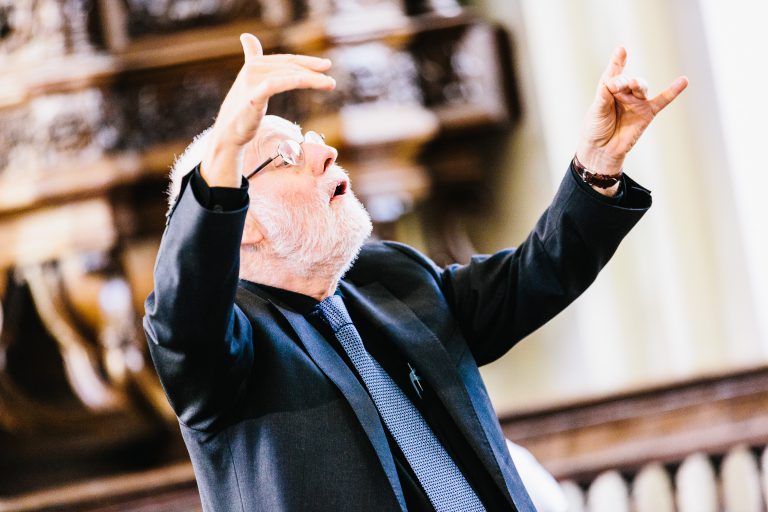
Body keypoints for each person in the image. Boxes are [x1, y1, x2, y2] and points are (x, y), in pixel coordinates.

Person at [144, 33, 687, 512]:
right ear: (242, 221)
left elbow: (536, 274)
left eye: (310, 138)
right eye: (287, 154)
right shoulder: (222, 350)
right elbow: (186, 311)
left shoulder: (392, 277)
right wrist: (225, 150)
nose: (325, 153)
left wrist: (596, 167)